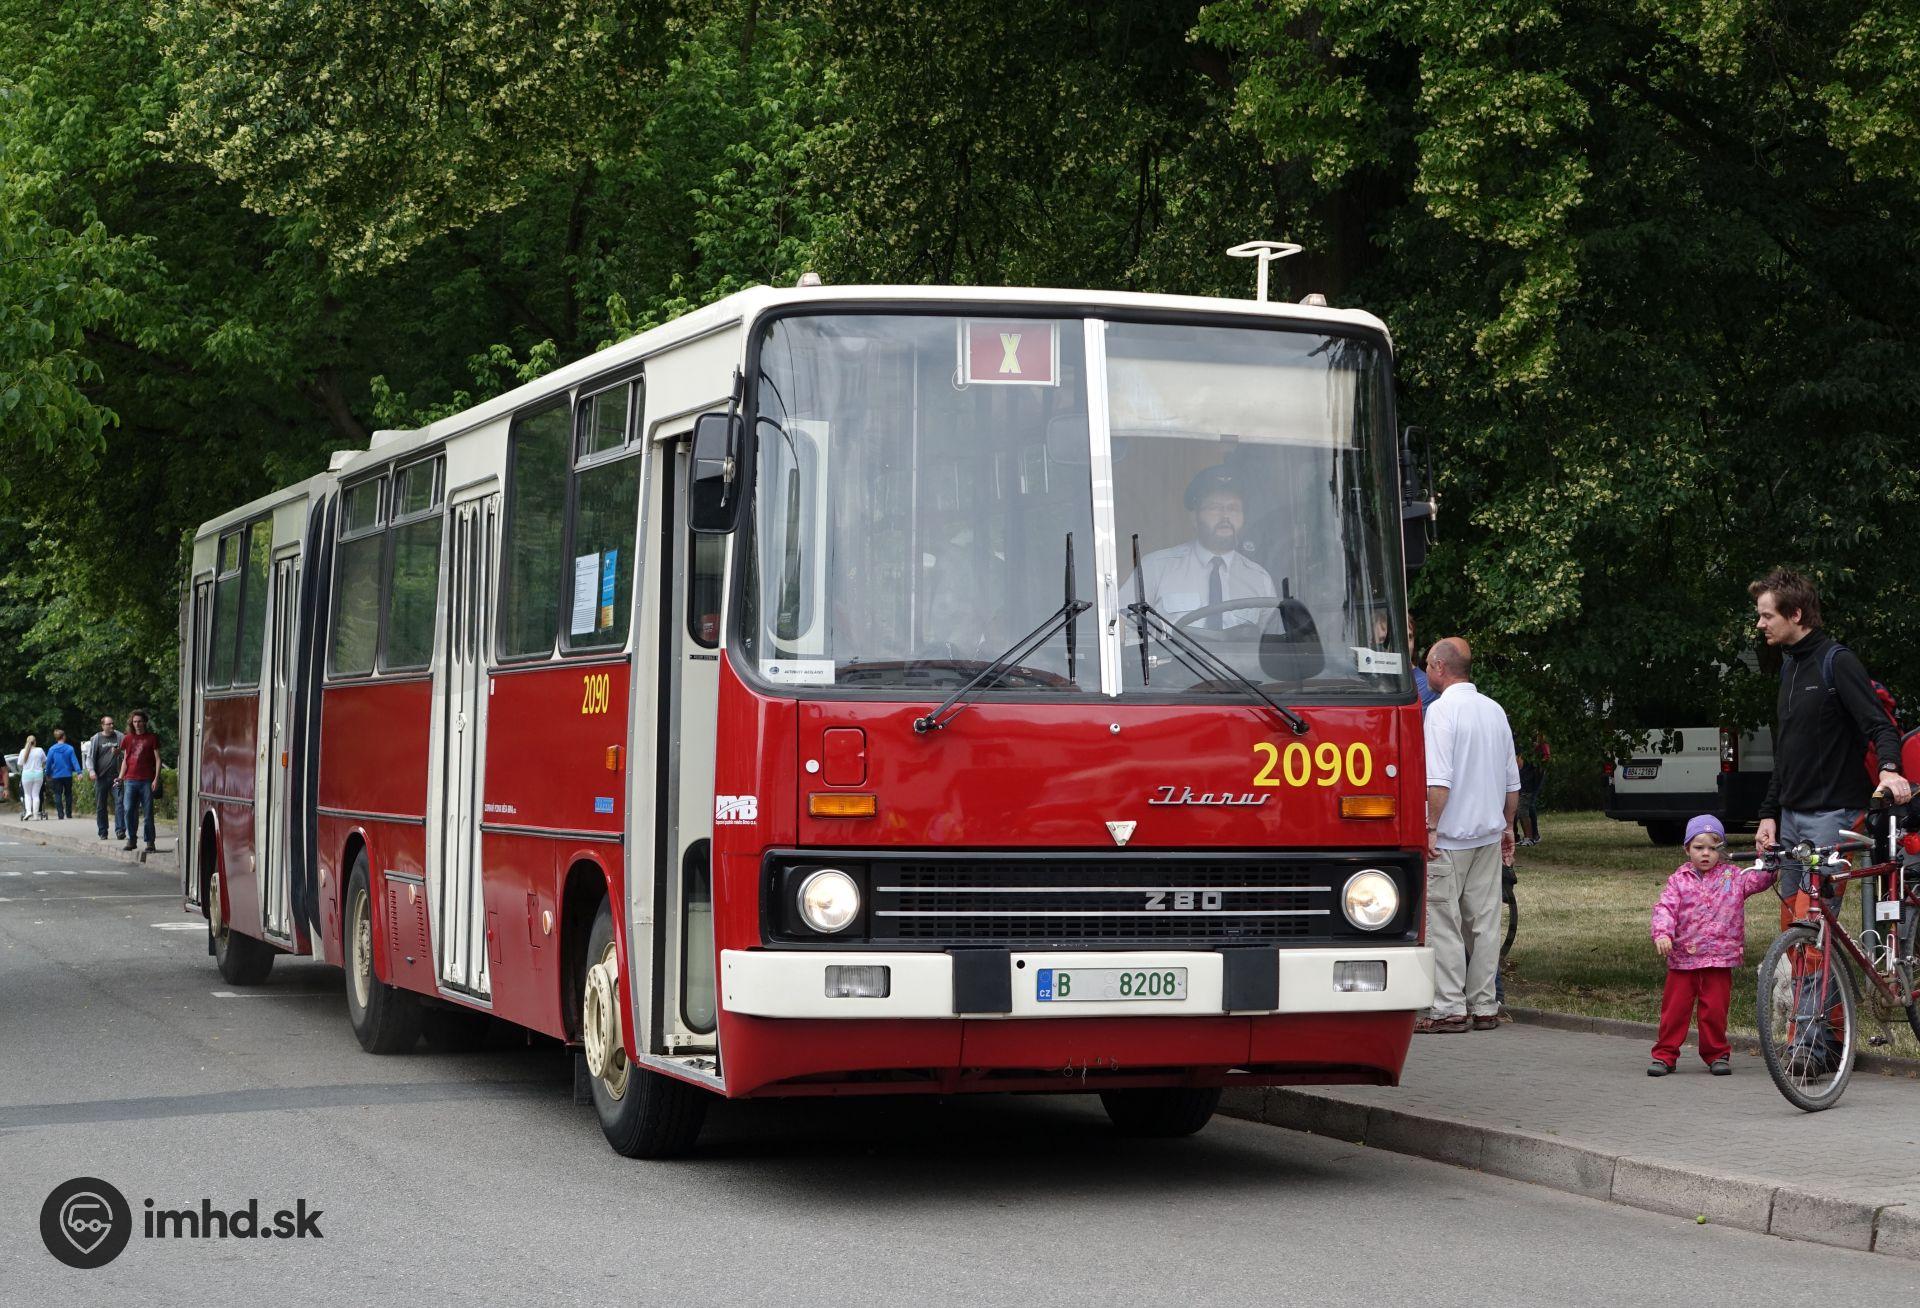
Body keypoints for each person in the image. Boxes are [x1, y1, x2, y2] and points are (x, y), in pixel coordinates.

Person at [1749, 569, 1911, 927]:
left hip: (1832, 815)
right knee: (1792, 922)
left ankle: (1818, 967)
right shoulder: (1790, 667)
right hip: (1790, 816)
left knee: (1812, 920)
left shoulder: (1836, 661)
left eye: (1767, 615)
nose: (1760, 624)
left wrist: (1888, 770)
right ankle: (1811, 968)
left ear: (1796, 614)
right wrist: (1768, 814)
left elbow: (1880, 725)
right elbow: (1786, 751)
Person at [1416, 637, 1521, 1033]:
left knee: (1443, 921)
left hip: (1449, 837)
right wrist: (1508, 826)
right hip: (1487, 835)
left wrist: (1431, 827)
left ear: (1440, 667)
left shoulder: (1441, 712)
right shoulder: (1494, 710)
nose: (1427, 671)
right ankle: (1485, 1004)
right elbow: (1512, 781)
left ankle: (1447, 1007)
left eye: (1428, 665)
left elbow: (1438, 780)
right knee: (1484, 923)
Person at [1647, 815, 1776, 1076]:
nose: (1706, 853)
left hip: (1720, 958)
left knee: (1715, 1011)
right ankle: (1665, 1055)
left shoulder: (1734, 876)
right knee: (1674, 1012)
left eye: (1712, 848)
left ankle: (1716, 1054)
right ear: (1687, 849)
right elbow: (1665, 908)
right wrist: (1662, 933)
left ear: (1722, 850)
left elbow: (1761, 879)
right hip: (1683, 958)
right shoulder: (1679, 880)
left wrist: (1769, 857)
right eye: (1699, 847)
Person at [1123, 467, 1277, 629]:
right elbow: (1122, 624)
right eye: (1214, 508)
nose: (1225, 516)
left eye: (1233, 508)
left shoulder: (1259, 579)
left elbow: (1272, 638)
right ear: (1194, 517)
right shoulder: (1156, 568)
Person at [116, 709, 162, 853]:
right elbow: (125, 759)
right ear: (132, 723)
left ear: (145, 722)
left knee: (148, 812)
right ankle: (132, 839)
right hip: (130, 780)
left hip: (146, 780)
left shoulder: (152, 738)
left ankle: (150, 842)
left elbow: (158, 759)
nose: (137, 724)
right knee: (129, 810)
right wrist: (120, 777)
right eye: (135, 721)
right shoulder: (127, 738)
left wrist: (156, 778)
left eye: (140, 721)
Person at [89, 715, 126, 841]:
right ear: (102, 725)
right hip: (101, 777)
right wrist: (91, 771)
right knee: (101, 806)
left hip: (116, 776)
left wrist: (119, 752)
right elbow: (90, 757)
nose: (111, 726)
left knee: (120, 802)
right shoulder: (96, 738)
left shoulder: (119, 736)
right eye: (109, 724)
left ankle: (120, 830)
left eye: (112, 723)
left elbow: (127, 753)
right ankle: (103, 831)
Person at [1513, 729, 1550, 845]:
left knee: (1525, 807)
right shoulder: (1525, 743)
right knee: (1523, 807)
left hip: (1529, 779)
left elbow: (1520, 764)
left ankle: (1530, 837)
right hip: (1526, 778)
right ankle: (1528, 836)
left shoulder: (1534, 744)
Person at [45, 728, 79, 820]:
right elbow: (74, 761)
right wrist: (79, 772)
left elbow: (48, 763)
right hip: (67, 775)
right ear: (63, 737)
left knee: (57, 794)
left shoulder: (52, 749)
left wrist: (48, 773)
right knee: (68, 794)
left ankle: (60, 814)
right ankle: (69, 814)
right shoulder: (70, 748)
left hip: (56, 775)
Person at [17, 734, 46, 821]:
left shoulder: (23, 751)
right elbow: (45, 761)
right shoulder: (40, 750)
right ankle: (36, 815)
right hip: (38, 774)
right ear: (35, 742)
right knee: (36, 794)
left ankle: (28, 811)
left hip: (27, 775)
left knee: (27, 794)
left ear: (27, 742)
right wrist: (41, 766)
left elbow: (19, 764)